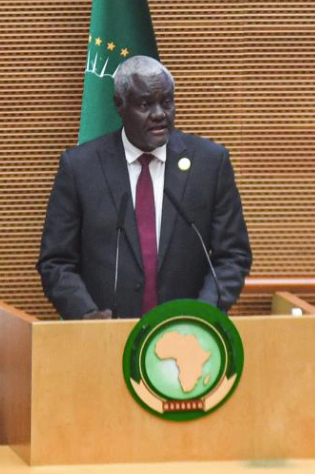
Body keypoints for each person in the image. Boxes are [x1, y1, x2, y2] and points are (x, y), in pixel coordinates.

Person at [37, 56, 252, 320]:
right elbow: (56, 261)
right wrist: (86, 314)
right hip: (104, 338)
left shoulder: (209, 163)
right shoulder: (80, 168)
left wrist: (204, 312)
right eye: (145, 104)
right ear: (119, 105)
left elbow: (233, 255)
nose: (160, 113)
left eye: (167, 102)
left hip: (186, 338)